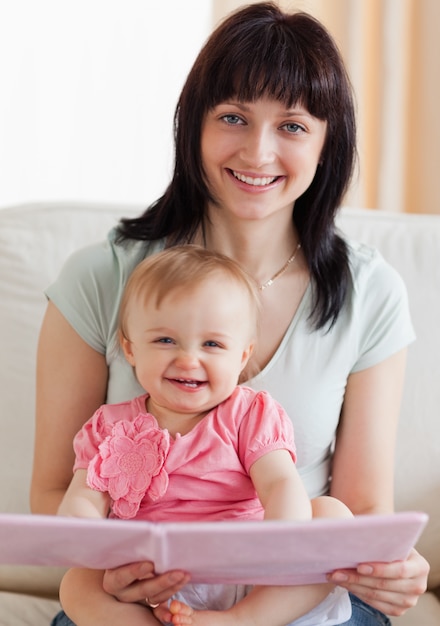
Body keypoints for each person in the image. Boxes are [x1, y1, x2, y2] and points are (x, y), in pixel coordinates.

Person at [31, 3, 429, 626]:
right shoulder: (101, 276)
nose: (258, 151)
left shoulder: (369, 291)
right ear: (194, 126)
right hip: (145, 584)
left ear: (329, 143)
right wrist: (116, 564)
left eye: (293, 126)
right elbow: (57, 491)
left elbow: (358, 508)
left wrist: (390, 569)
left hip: (283, 586)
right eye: (233, 117)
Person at [57, 245, 353, 626]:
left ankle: (242, 621)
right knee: (76, 585)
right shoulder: (109, 427)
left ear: (243, 356)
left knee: (331, 515)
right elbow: (82, 501)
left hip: (251, 570)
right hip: (150, 578)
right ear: (130, 349)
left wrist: (279, 544)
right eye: (165, 340)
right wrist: (97, 546)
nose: (188, 359)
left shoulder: (250, 414)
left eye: (212, 344)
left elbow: (280, 484)